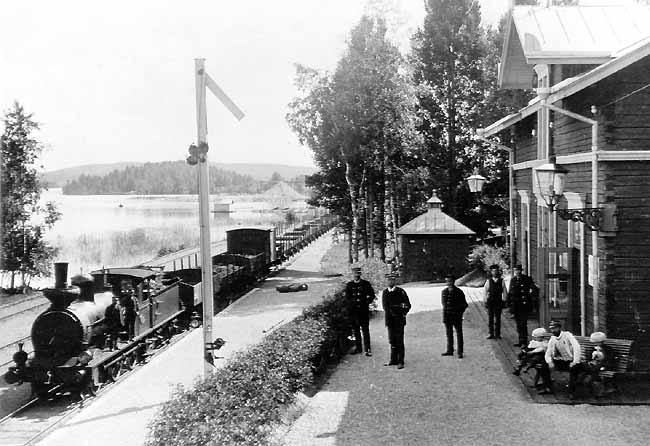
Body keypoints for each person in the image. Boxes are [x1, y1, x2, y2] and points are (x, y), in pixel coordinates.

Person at [539, 320, 587, 398]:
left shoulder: (567, 335)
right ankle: (548, 387)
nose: (553, 330)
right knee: (544, 366)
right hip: (561, 361)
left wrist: (575, 361)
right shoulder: (553, 339)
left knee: (574, 369)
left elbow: (576, 347)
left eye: (555, 328)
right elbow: (548, 352)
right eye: (551, 329)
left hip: (572, 360)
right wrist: (550, 362)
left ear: (559, 328)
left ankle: (572, 392)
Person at [381, 272, 411, 369]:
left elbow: (407, 305)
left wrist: (401, 313)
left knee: (399, 340)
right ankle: (393, 359)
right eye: (389, 280)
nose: (391, 281)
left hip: (399, 320)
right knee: (392, 340)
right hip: (390, 320)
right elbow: (385, 307)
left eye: (392, 280)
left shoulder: (400, 292)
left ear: (395, 281)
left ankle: (400, 361)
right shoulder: (385, 292)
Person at [345, 266, 375, 356]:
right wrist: (351, 305)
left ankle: (367, 349)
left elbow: (371, 295)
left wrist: (366, 302)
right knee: (356, 330)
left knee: (365, 330)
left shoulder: (366, 284)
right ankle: (358, 348)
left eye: (358, 273)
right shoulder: (349, 285)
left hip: (363, 311)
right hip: (354, 311)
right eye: (355, 274)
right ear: (352, 274)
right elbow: (347, 297)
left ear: (360, 274)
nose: (356, 275)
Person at [507, 264, 537, 347]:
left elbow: (533, 289)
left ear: (521, 271)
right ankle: (520, 341)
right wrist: (509, 304)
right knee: (518, 324)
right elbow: (510, 292)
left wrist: (531, 299)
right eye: (516, 270)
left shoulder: (526, 279)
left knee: (523, 324)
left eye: (519, 270)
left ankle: (524, 341)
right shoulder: (513, 280)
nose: (517, 272)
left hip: (524, 305)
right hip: (516, 306)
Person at [441, 273, 468, 359]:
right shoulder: (444, 292)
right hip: (448, 316)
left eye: (450, 281)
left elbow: (464, 304)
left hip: (456, 316)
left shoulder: (459, 292)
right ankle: (450, 350)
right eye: (447, 281)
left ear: (453, 281)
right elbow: (444, 305)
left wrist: (459, 313)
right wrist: (444, 317)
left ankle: (460, 352)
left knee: (459, 334)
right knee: (449, 334)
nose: (448, 283)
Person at [484, 264, 507, 340]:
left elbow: (504, 291)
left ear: (498, 272)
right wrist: (485, 300)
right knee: (490, 317)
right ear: (491, 272)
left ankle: (498, 334)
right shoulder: (488, 281)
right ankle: (491, 333)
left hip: (498, 301)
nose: (495, 272)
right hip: (491, 301)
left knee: (498, 318)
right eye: (493, 271)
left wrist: (504, 299)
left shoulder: (501, 281)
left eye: (496, 271)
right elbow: (485, 291)